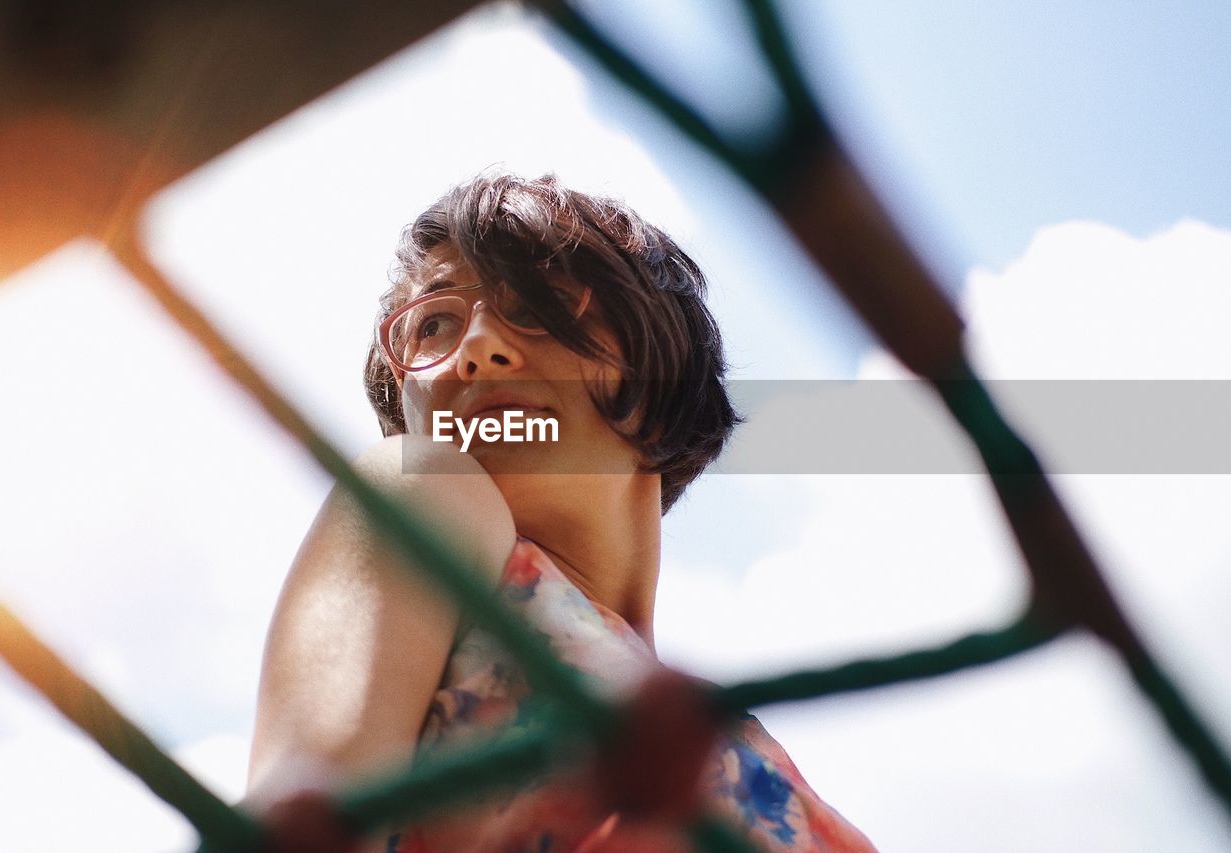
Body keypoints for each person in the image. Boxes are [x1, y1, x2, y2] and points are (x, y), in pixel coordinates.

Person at [245, 172, 877, 852]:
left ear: (658, 385)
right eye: (433, 325)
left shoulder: (740, 746)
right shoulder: (422, 486)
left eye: (538, 305)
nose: (478, 348)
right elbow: (297, 822)